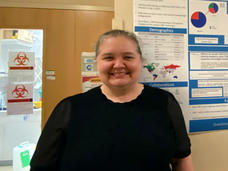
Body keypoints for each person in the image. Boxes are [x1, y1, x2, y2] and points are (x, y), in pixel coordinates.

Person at [30, 29, 194, 171]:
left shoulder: (164, 102)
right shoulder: (70, 108)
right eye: (108, 58)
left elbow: (181, 158)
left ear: (140, 61)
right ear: (97, 63)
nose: (118, 65)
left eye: (128, 57)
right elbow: (41, 167)